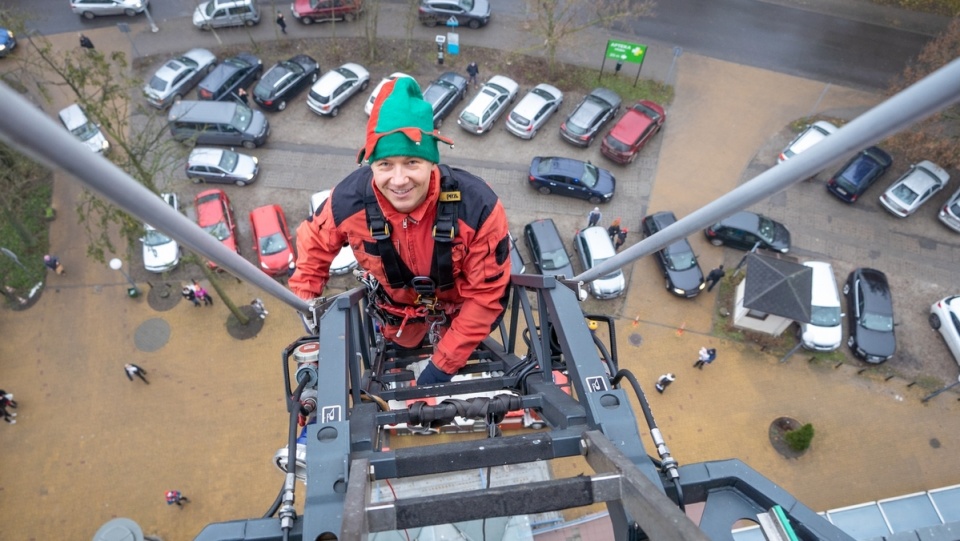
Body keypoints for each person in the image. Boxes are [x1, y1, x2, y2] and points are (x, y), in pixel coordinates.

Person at [289, 76, 511, 387]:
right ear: (371, 165)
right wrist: (306, 301)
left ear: (432, 162)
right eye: (384, 165)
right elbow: (313, 241)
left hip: (460, 320)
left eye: (412, 162)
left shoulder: (477, 208)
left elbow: (486, 296)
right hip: (399, 322)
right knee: (402, 347)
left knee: (455, 365)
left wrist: (442, 365)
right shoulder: (347, 202)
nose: (399, 179)